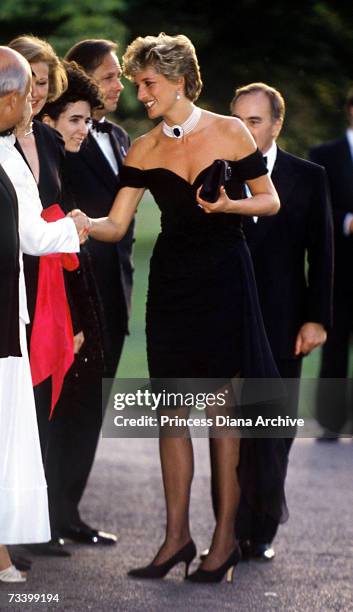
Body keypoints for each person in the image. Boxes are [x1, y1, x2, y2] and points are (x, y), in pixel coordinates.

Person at [83, 33, 287, 583]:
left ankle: (222, 543)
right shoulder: (143, 148)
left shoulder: (229, 130)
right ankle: (176, 538)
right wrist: (79, 223)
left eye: (148, 83)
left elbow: (270, 200)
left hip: (225, 280)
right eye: (137, 83)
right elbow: (117, 225)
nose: (140, 93)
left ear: (178, 80)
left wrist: (230, 205)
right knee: (171, 414)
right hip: (171, 286)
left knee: (222, 416)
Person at [229, 82, 334, 560]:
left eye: (255, 120)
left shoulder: (308, 177)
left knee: (272, 429)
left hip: (283, 322)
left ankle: (262, 529)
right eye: (238, 119)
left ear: (276, 124)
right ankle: (228, 527)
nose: (245, 130)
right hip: (226, 319)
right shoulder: (216, 172)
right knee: (229, 427)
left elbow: (324, 255)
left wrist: (316, 319)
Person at [0, 46, 86, 582]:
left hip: (3, 321)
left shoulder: (11, 156)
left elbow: (32, 235)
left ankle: (1, 550)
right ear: (8, 98)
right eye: (23, 94)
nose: (32, 102)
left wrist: (76, 226)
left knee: (5, 431)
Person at [50, 39, 135, 547]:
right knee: (63, 408)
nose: (118, 85)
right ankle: (43, 517)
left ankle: (70, 514)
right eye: (108, 76)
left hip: (116, 294)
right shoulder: (57, 139)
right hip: (72, 292)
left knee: (91, 410)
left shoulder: (121, 136)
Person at [309, 89, 353, 439]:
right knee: (335, 349)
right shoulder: (324, 156)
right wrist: (347, 221)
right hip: (339, 270)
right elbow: (317, 212)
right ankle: (330, 423)